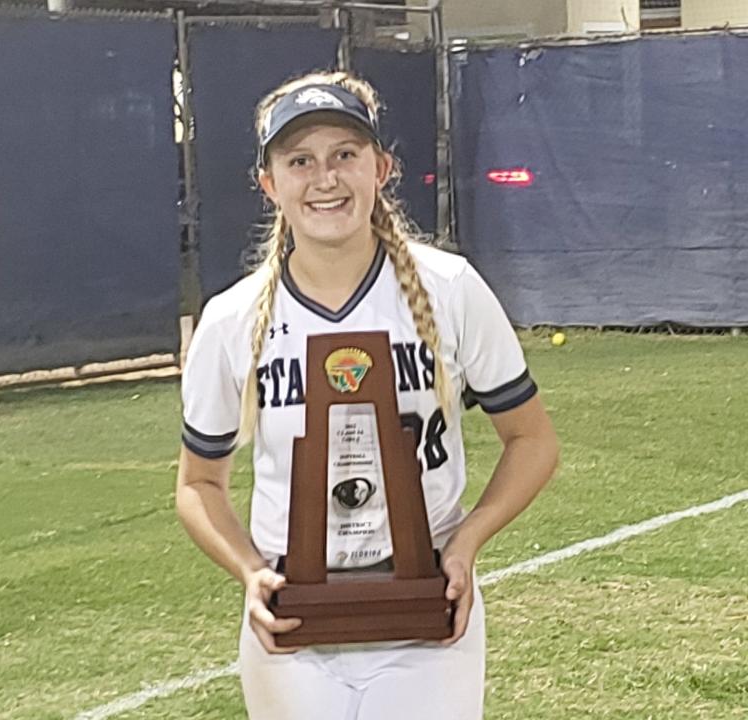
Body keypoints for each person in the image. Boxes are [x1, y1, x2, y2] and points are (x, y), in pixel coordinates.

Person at [175, 71, 559, 720]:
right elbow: (198, 484)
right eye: (300, 161)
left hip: (427, 610)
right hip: (292, 619)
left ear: (381, 168)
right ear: (269, 184)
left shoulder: (451, 288)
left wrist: (465, 544)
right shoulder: (231, 319)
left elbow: (533, 441)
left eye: (344, 156)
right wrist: (250, 574)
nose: (325, 179)